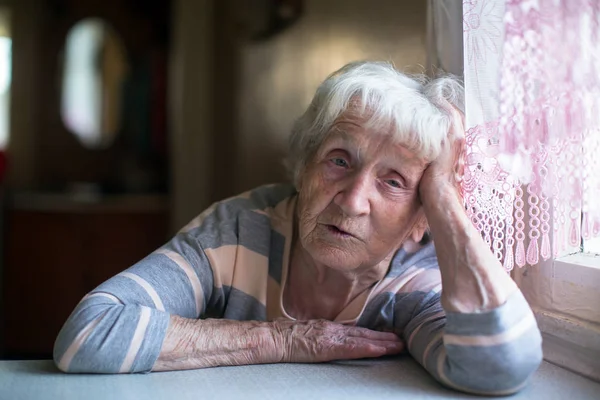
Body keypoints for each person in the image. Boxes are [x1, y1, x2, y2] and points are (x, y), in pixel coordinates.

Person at [53, 61, 542, 395]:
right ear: (304, 166)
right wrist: (281, 339)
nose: (353, 199)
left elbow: (501, 365)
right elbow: (88, 333)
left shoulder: (412, 280)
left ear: (420, 221)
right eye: (338, 160)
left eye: (394, 182)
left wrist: (441, 200)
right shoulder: (239, 232)